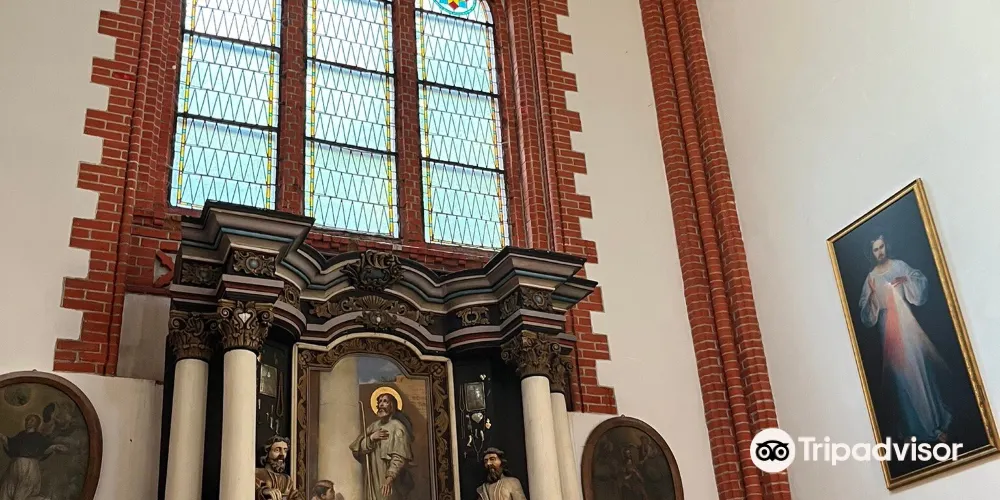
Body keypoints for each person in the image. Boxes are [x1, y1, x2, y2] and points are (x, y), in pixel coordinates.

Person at [858, 234, 952, 442]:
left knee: (919, 370)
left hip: (906, 322)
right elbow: (866, 314)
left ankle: (935, 425)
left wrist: (907, 280)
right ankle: (912, 428)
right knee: (900, 377)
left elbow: (919, 283)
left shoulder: (899, 265)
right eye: (876, 249)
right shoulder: (871, 278)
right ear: (871, 253)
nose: (880, 252)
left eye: (882, 247)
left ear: (886, 246)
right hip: (887, 329)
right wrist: (872, 295)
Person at [349, 391, 414, 500]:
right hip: (372, 476)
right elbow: (357, 449)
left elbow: (399, 457)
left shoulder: (397, 427)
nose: (381, 405)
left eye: (385, 401)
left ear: (392, 405)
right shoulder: (373, 426)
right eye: (379, 402)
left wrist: (389, 478)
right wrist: (371, 438)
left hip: (388, 479)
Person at [0, 414, 67, 500]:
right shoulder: (21, 435)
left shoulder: (38, 437)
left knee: (21, 496)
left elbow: (44, 450)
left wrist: (54, 447)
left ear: (36, 424)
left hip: (29, 469)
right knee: (5, 493)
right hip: (14, 468)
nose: (28, 422)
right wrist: (3, 437)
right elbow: (11, 445)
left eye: (32, 420)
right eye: (27, 420)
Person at [255, 436, 304, 500]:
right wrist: (263, 491)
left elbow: (295, 496)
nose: (282, 454)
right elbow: (249, 489)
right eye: (277, 450)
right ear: (267, 453)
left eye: (285, 450)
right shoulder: (257, 473)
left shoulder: (287, 480)